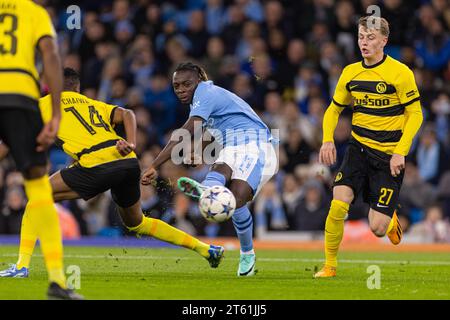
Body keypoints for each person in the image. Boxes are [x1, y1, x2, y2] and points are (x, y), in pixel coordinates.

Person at [0, 68, 224, 281]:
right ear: (77, 89)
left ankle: (21, 266)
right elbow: (127, 113)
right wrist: (133, 142)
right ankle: (206, 249)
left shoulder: (45, 103)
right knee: (138, 223)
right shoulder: (92, 103)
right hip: (126, 161)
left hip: (95, 162)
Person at [141, 62, 279, 276]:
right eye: (176, 86)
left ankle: (210, 193)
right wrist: (198, 150)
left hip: (257, 145)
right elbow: (209, 130)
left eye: (186, 84)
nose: (181, 90)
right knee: (225, 183)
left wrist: (153, 165)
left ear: (199, 80)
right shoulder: (201, 99)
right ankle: (210, 193)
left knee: (236, 198)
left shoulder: (206, 93)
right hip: (232, 145)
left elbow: (185, 132)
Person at [315, 16, 423, 278]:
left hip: (387, 156)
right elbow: (334, 109)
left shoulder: (400, 72)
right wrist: (327, 138)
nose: (364, 42)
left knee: (377, 228)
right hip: (358, 149)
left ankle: (390, 218)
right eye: (361, 37)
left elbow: (416, 114)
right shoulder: (350, 72)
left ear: (384, 41)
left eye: (371, 38)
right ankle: (330, 266)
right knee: (338, 203)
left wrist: (400, 151)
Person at [0, 0, 81, 299]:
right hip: (20, 96)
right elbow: (50, 55)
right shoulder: (35, 14)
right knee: (38, 189)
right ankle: (58, 281)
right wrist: (56, 113)